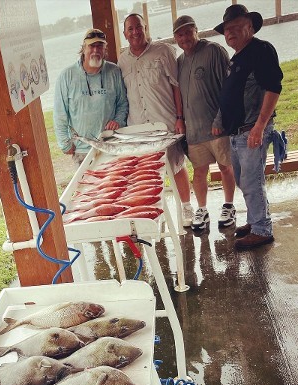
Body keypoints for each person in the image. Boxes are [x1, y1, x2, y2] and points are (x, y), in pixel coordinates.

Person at [213, 4, 283, 250]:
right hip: (236, 132)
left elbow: (274, 88)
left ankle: (262, 229)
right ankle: (255, 221)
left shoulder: (261, 50)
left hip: (252, 130)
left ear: (250, 27)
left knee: (252, 182)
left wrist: (259, 127)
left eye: (235, 27)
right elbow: (230, 93)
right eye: (226, 29)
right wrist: (219, 120)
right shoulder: (237, 57)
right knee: (244, 180)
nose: (230, 32)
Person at [118, 13, 194, 226]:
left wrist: (180, 117)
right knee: (148, 173)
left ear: (145, 28)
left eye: (138, 27)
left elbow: (176, 86)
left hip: (166, 122)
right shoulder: (122, 60)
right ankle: (154, 214)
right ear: (125, 34)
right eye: (130, 29)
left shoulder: (163, 51)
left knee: (176, 166)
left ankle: (186, 208)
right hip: (139, 129)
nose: (135, 32)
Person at [174, 15, 236, 232]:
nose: (184, 37)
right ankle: (202, 209)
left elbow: (229, 88)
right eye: (180, 34)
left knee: (225, 167)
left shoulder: (213, 51)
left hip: (218, 127)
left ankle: (228, 205)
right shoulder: (180, 62)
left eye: (188, 32)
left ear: (196, 31)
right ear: (175, 38)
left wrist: (220, 119)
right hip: (194, 131)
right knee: (199, 172)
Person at [53, 28, 128, 165]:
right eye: (91, 46)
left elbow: (122, 103)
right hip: (82, 150)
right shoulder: (66, 76)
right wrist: (65, 143)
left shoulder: (114, 71)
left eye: (100, 46)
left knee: (116, 186)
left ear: (105, 48)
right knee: (88, 186)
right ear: (83, 48)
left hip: (111, 145)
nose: (96, 50)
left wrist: (118, 120)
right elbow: (59, 113)